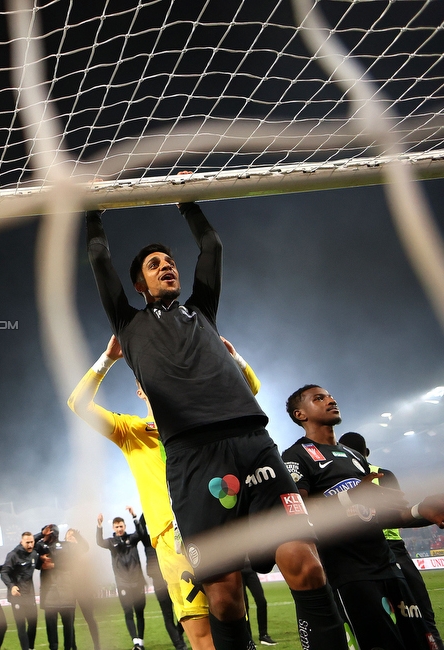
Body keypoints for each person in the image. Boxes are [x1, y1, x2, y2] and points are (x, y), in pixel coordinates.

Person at [84, 204, 348, 650]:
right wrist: (93, 213)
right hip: (191, 460)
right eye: (154, 265)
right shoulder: (127, 325)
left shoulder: (201, 309)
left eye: (169, 262)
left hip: (253, 445)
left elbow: (211, 245)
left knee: (307, 566)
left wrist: (189, 201)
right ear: (138, 285)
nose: (167, 266)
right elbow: (98, 257)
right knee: (224, 598)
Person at [71, 334, 256, 650]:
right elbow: (79, 405)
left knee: (235, 626)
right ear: (141, 389)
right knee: (202, 636)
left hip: (214, 530)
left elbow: (250, 391)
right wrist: (107, 360)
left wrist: (234, 358)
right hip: (171, 540)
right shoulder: (131, 431)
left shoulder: (199, 421)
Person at [282, 385, 444, 650]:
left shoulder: (355, 457)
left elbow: (374, 514)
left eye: (330, 396)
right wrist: (351, 497)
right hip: (349, 572)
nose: (331, 400)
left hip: (388, 565)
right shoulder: (295, 456)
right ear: (300, 414)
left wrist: (420, 511)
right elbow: (298, 512)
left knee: (421, 642)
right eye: (319, 398)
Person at [338, 431, 444, 650]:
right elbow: (400, 513)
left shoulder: (337, 480)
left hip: (356, 556)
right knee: (421, 615)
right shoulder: (383, 474)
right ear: (366, 453)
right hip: (394, 550)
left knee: (366, 624)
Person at [136, 513, 187, 650]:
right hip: (158, 581)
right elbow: (140, 527)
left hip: (173, 578)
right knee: (168, 616)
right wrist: (148, 510)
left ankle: (179, 635)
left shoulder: (166, 538)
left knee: (184, 610)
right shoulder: (147, 541)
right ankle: (180, 645)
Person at [95, 512, 145, 650]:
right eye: (116, 527)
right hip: (123, 582)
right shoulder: (111, 542)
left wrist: (135, 516)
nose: (119, 529)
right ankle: (135, 642)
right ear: (113, 528)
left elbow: (141, 533)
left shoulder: (132, 539)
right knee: (128, 612)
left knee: (140, 613)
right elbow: (99, 542)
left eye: (121, 526)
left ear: (124, 526)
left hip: (137, 581)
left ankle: (141, 642)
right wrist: (99, 525)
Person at [35, 524, 76, 650]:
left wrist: (55, 564)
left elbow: (74, 560)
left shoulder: (66, 546)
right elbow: (26, 545)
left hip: (66, 593)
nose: (44, 536)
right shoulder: (40, 548)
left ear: (52, 534)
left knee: (68, 627)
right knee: (51, 629)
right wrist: (41, 534)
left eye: (47, 533)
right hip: (50, 595)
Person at [1, 532, 39, 650]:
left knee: (33, 624)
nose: (30, 545)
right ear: (21, 542)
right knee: (21, 626)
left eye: (32, 542)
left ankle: (30, 647)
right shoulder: (13, 555)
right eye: (27, 542)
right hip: (17, 596)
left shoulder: (34, 554)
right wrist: (11, 586)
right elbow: (4, 573)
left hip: (30, 595)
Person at [63, 528, 100, 650]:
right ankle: (73, 647)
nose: (71, 537)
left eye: (73, 536)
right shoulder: (62, 552)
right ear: (65, 540)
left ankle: (97, 646)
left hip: (83, 589)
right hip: (69, 590)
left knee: (90, 618)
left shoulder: (80, 549)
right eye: (68, 536)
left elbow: (85, 546)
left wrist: (77, 535)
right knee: (69, 621)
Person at [240, 559, 275, 646]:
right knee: (244, 606)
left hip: (250, 570)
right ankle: (248, 638)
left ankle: (264, 635)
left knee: (261, 601)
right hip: (238, 571)